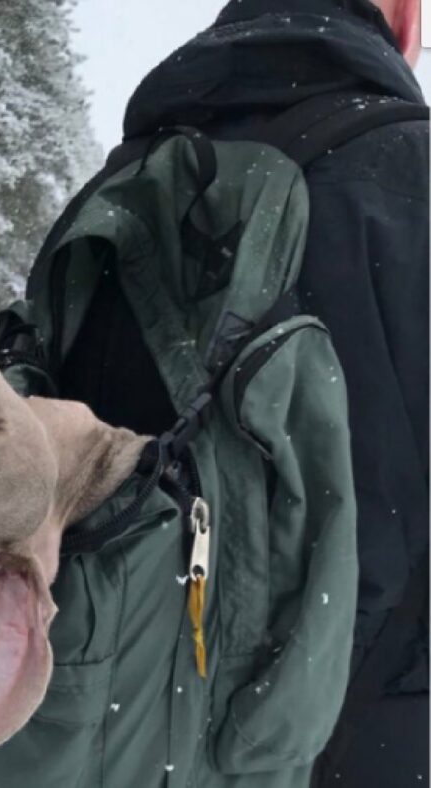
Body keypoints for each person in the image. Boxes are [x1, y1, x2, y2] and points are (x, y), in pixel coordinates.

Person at [108, 1, 428, 785]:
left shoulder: (123, 185)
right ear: (402, 18)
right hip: (369, 740)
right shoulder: (412, 175)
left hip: (130, 733)